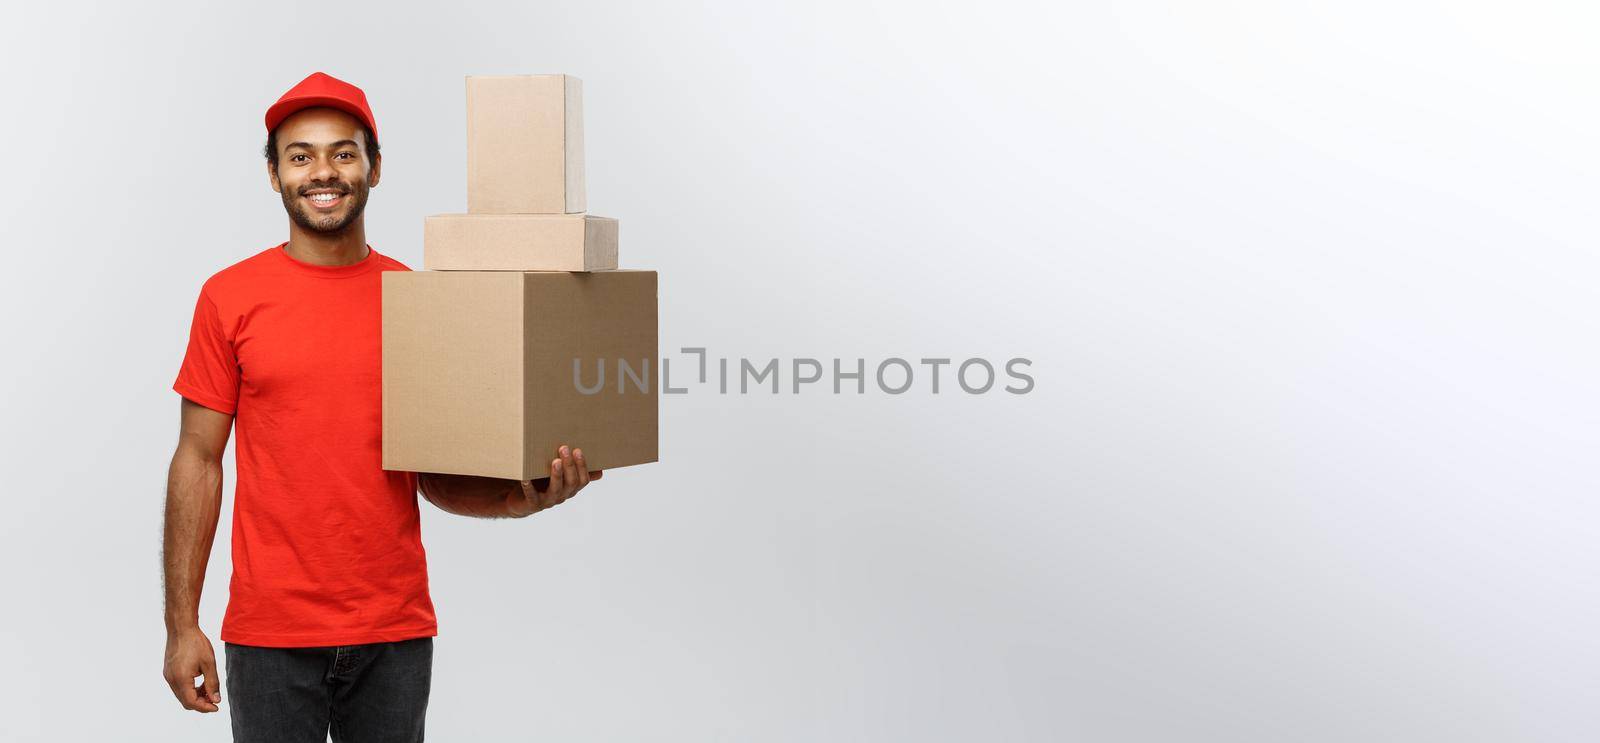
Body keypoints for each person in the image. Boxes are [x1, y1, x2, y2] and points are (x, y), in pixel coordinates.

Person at [160, 71, 602, 742]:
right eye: (300, 155)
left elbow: (435, 470)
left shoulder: (418, 300)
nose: (323, 171)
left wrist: (520, 498)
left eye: (344, 151)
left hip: (393, 631)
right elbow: (198, 458)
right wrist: (181, 622)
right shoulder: (229, 296)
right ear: (275, 175)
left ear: (375, 167)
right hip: (271, 634)